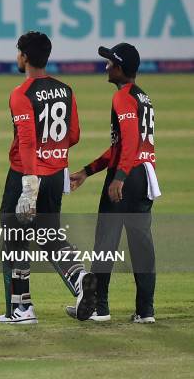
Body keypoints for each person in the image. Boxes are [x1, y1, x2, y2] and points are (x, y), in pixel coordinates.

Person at [0, 31, 96, 324]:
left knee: (15, 238)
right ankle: (80, 279)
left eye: (18, 53)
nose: (17, 57)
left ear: (25, 57)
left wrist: (28, 186)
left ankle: (21, 308)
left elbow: (26, 141)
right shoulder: (65, 89)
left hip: (27, 176)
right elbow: (73, 134)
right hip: (55, 174)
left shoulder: (21, 94)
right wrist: (52, 152)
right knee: (49, 235)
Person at [69, 43, 159, 324]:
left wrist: (119, 177)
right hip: (145, 175)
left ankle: (99, 307)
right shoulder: (143, 97)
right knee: (141, 245)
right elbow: (121, 147)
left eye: (109, 62)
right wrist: (87, 171)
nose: (106, 66)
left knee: (105, 242)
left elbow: (128, 141)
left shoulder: (122, 98)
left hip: (128, 175)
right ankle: (146, 311)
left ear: (119, 68)